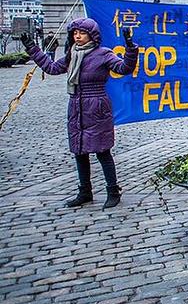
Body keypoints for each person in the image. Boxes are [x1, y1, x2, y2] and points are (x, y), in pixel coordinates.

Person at [20, 19, 139, 209]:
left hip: (97, 105)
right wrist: (32, 48)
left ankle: (113, 191)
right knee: (79, 151)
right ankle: (84, 191)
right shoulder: (72, 55)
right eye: (75, 33)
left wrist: (130, 48)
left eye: (82, 33)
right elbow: (52, 68)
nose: (77, 36)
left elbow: (124, 68)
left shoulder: (103, 54)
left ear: (92, 35)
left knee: (102, 151)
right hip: (76, 105)